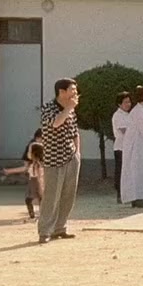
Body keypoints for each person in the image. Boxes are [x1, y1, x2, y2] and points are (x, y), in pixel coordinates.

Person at [37, 78, 82, 244]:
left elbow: (75, 132)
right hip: (53, 159)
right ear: (61, 92)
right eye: (72, 90)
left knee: (68, 195)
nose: (75, 93)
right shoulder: (48, 108)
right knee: (51, 196)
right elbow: (56, 123)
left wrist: (78, 154)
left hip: (71, 157)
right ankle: (45, 231)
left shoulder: (71, 110)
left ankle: (60, 228)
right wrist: (69, 108)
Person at [2, 132, 43, 220]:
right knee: (33, 198)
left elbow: (37, 174)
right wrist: (9, 171)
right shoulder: (33, 162)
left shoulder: (39, 164)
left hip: (37, 181)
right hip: (33, 181)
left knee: (38, 198)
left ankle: (41, 215)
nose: (28, 153)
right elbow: (25, 168)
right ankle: (36, 215)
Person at [111, 91, 132, 203]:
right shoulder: (118, 115)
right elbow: (124, 130)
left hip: (129, 147)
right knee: (121, 171)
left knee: (128, 171)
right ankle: (119, 194)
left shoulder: (129, 115)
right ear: (119, 104)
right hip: (121, 147)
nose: (128, 104)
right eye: (125, 102)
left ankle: (127, 193)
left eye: (129, 102)